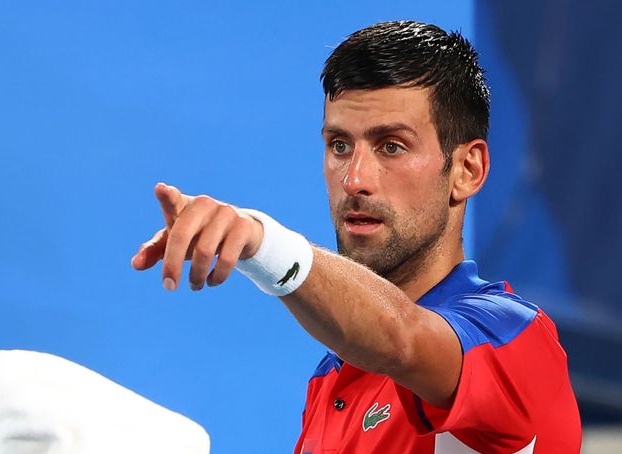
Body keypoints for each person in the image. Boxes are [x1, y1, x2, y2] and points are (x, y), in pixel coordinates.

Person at [131, 20, 581, 453]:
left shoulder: (515, 339)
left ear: (467, 170)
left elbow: (401, 338)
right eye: (340, 145)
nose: (355, 179)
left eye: (392, 146)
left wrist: (264, 244)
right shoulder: (331, 377)